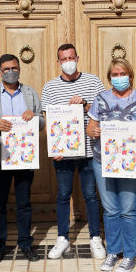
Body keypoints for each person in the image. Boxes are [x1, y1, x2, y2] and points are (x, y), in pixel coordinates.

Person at [86, 58, 136, 272]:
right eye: (114, 74)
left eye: (122, 73)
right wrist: (93, 131)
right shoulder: (101, 98)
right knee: (111, 209)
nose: (118, 78)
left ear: (130, 75)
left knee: (128, 209)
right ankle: (113, 251)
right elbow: (91, 126)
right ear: (109, 77)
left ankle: (130, 255)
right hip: (102, 160)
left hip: (130, 162)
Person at [41, 44, 107, 259]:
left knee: (90, 195)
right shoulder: (50, 88)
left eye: (71, 57)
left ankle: (95, 238)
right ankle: (62, 238)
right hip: (63, 153)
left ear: (77, 57)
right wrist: (54, 148)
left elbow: (103, 111)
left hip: (89, 151)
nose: (68, 61)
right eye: (64, 59)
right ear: (58, 61)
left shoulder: (93, 81)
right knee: (62, 195)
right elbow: (49, 121)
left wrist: (85, 103)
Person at [0, 54, 45, 264]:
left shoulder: (30, 93)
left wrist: (34, 117)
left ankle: (25, 243)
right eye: (6, 69)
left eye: (14, 68)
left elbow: (42, 122)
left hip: (24, 158)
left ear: (19, 69)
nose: (11, 72)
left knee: (24, 203)